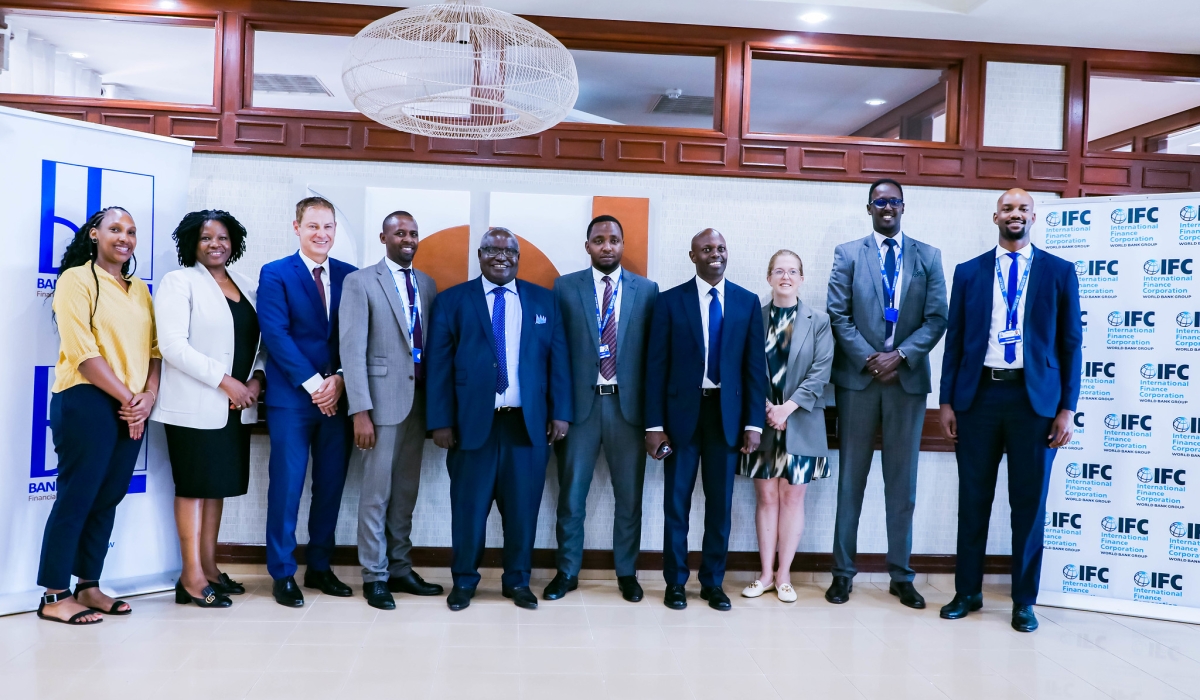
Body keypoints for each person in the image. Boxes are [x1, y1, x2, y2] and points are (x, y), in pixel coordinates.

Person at [938, 189, 1082, 633]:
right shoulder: (969, 272)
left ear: (1033, 217)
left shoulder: (1060, 272)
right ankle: (968, 592)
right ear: (994, 216)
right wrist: (946, 400)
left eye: (1022, 209)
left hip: (1034, 404)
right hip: (978, 398)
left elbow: (1071, 344)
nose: (1014, 214)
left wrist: (1066, 409)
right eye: (1007, 208)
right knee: (973, 500)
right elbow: (956, 340)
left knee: (1029, 505)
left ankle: (1024, 600)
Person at [426, 227, 572, 611]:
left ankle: (518, 581)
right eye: (492, 250)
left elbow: (559, 362)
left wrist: (561, 413)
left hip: (528, 426)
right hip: (470, 427)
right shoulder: (452, 301)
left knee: (523, 510)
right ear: (480, 255)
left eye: (509, 251)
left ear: (518, 258)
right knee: (469, 510)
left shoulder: (545, 302)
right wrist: (440, 421)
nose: (500, 256)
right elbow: (438, 366)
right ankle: (463, 582)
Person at [825, 179, 947, 609]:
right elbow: (837, 315)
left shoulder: (927, 256)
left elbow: (936, 319)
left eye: (894, 201)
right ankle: (843, 574)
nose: (887, 207)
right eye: (880, 202)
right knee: (851, 482)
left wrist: (900, 356)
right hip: (859, 382)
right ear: (869, 207)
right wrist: (871, 358)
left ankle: (902, 575)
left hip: (906, 383)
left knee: (902, 486)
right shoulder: (848, 254)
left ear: (903, 206)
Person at [37, 207, 160, 625]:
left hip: (131, 406)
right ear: (94, 234)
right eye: (114, 229)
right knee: (78, 495)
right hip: (86, 400)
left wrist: (147, 396)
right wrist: (130, 399)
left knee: (108, 496)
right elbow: (82, 351)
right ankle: (54, 595)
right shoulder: (77, 279)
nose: (124, 237)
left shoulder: (139, 289)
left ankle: (88, 585)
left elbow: (156, 351)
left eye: (131, 231)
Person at [645, 228, 767, 612]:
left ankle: (713, 583)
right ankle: (676, 583)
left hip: (726, 418)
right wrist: (653, 425)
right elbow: (655, 368)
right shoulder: (668, 302)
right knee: (676, 505)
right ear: (692, 256)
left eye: (720, 248)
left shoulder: (747, 303)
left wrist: (753, 423)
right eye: (706, 249)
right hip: (681, 418)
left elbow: (753, 369)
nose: (715, 254)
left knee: (720, 505)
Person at [152, 210, 265, 609]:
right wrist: (226, 381)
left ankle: (210, 568)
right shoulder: (178, 282)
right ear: (191, 243)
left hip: (235, 408)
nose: (215, 244)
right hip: (194, 404)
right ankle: (191, 577)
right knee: (194, 487)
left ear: (234, 241)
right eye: (205, 238)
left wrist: (255, 381)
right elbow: (173, 346)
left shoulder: (248, 285)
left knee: (215, 487)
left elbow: (260, 346)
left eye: (222, 237)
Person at [546, 215, 659, 603]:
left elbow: (653, 357)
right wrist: (557, 409)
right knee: (571, 497)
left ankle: (626, 572)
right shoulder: (564, 287)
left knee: (629, 497)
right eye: (599, 240)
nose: (606, 246)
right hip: (580, 409)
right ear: (587, 246)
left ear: (623, 245)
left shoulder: (647, 290)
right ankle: (567, 571)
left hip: (628, 411)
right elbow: (556, 353)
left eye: (613, 239)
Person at [340, 211, 443, 611]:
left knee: (405, 492)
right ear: (383, 236)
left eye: (414, 232)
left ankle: (400, 567)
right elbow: (351, 349)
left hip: (418, 404)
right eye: (400, 232)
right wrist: (360, 411)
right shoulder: (361, 282)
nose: (408, 238)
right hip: (380, 406)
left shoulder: (427, 284)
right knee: (376, 494)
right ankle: (374, 575)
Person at [257, 196, 357, 607]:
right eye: (313, 226)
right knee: (286, 487)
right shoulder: (276, 273)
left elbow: (357, 338)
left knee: (330, 487)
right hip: (293, 401)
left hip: (338, 399)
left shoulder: (352, 277)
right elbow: (276, 336)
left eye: (328, 226)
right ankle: (282, 572)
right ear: (296, 227)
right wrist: (317, 385)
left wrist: (340, 381)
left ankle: (319, 566)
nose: (321, 234)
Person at [739, 250, 833, 604]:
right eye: (779, 270)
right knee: (766, 496)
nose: (786, 276)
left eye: (793, 271)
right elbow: (745, 366)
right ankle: (764, 574)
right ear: (769, 277)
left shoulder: (819, 321)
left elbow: (821, 371)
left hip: (802, 421)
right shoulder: (753, 317)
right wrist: (766, 408)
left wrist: (787, 408)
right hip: (761, 422)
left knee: (793, 496)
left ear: (802, 278)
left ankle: (784, 576)